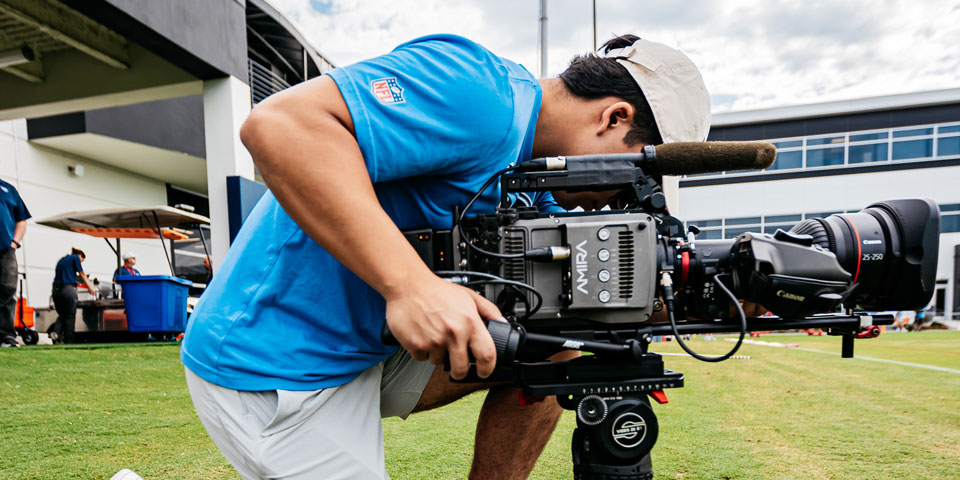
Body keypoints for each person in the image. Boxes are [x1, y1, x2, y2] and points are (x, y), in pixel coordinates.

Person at [181, 33, 711, 479]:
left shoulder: (540, 182)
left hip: (361, 349)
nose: (622, 202)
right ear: (614, 117)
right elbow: (278, 125)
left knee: (561, 343)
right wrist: (409, 286)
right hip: (274, 364)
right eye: (632, 178)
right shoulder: (480, 93)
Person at [0, 178, 29, 348]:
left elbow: (21, 219)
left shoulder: (8, 189)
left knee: (7, 291)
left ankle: (5, 336)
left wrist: (14, 243)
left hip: (5, 251)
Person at [49, 248, 97, 344]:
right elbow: (82, 274)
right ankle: (69, 340)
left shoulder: (62, 260)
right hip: (67, 289)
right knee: (70, 315)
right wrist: (90, 288)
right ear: (80, 255)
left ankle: (56, 331)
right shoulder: (75, 257)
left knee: (63, 314)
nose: (81, 262)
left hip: (55, 290)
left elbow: (68, 275)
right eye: (82, 260)